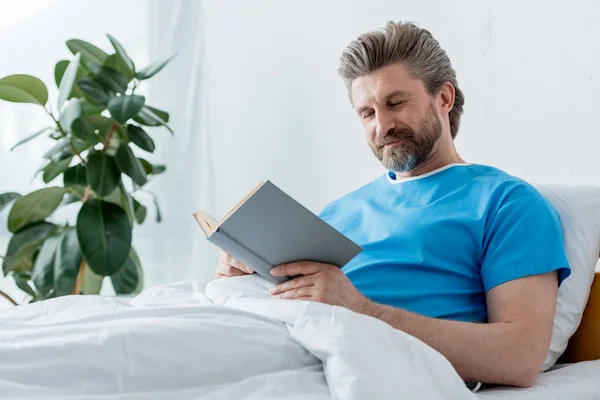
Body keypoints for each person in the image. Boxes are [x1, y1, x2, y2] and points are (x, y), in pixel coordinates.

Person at [215, 21, 570, 389]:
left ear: (444, 98)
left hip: (353, 364)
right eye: (366, 113)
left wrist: (362, 311)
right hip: (278, 341)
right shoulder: (337, 212)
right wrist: (237, 281)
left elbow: (520, 357)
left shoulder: (507, 204)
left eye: (395, 103)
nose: (381, 126)